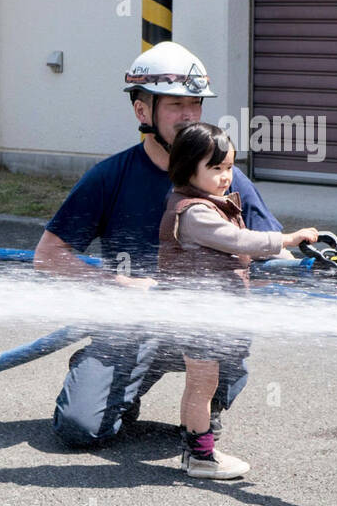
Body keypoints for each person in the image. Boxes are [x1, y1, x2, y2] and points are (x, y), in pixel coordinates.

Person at [34, 42, 285, 469]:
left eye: (195, 104)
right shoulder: (110, 177)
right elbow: (48, 256)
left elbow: (268, 250)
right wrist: (119, 284)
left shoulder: (226, 177)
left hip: (205, 322)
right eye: (175, 106)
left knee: (228, 336)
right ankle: (107, 382)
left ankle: (208, 411)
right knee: (79, 430)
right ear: (142, 112)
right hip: (132, 324)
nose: (189, 116)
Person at [158, 123, 318, 479]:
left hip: (198, 314)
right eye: (215, 169)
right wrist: (287, 240)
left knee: (198, 385)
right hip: (198, 316)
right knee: (203, 386)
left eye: (229, 167)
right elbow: (238, 240)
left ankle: (193, 453)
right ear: (187, 169)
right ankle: (201, 457)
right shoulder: (195, 212)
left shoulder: (201, 203)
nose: (225, 177)